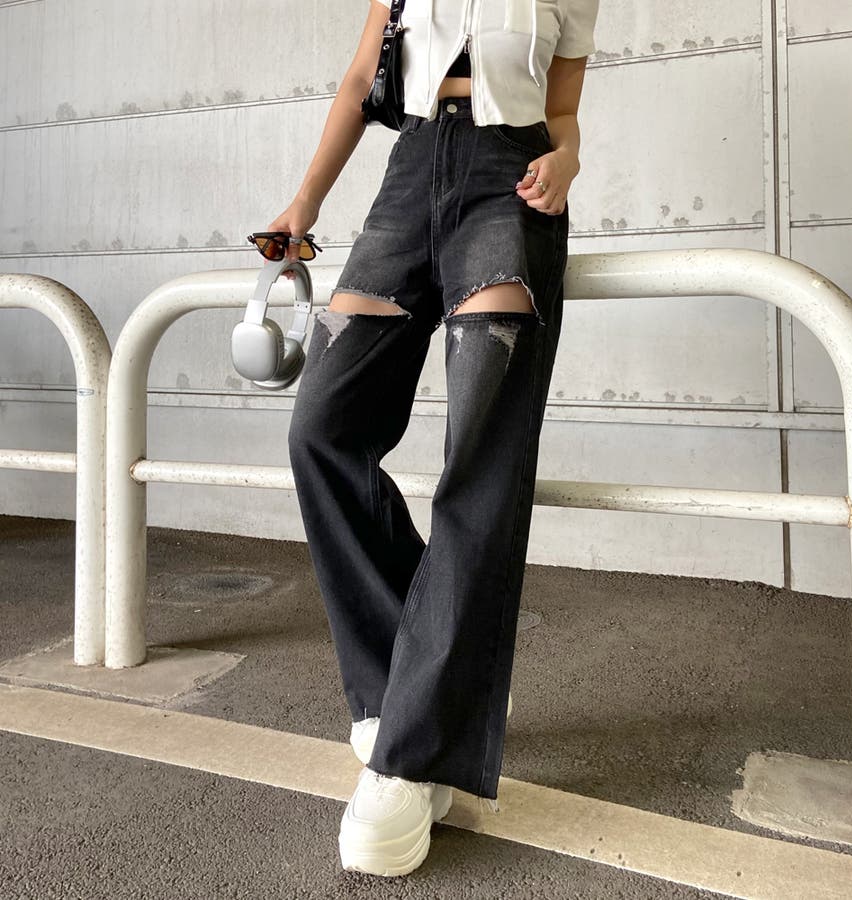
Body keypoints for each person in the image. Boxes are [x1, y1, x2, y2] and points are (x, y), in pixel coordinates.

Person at [270, 0, 599, 878]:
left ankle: (409, 753)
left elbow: (562, 111)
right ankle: (423, 689)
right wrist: (303, 204)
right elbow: (359, 81)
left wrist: (566, 159)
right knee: (322, 429)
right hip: (408, 173)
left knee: (480, 462)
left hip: (510, 183)